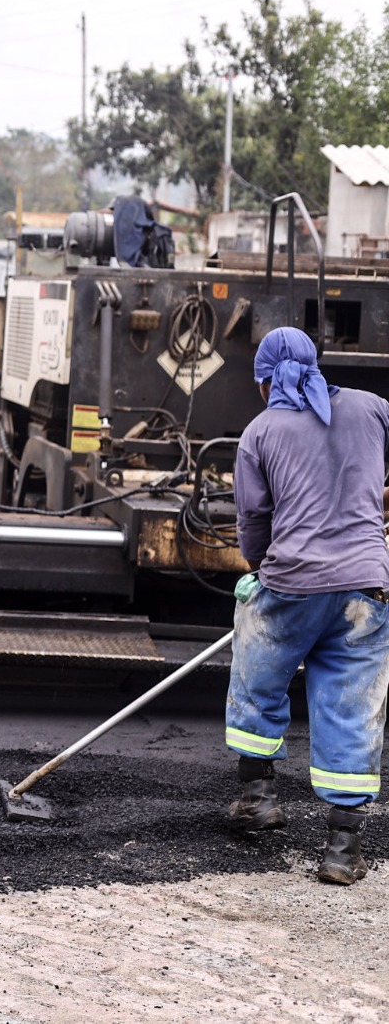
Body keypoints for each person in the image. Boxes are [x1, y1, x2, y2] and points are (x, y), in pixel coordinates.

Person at [224, 326, 389, 886]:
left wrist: (256, 572)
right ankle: (343, 849)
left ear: (266, 382)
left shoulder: (261, 430)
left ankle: (259, 798)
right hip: (366, 590)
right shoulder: (371, 409)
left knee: (258, 675)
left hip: (293, 584)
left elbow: (253, 520)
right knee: (350, 703)